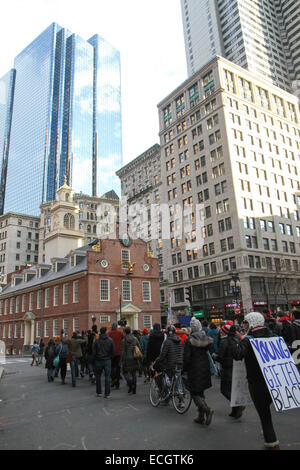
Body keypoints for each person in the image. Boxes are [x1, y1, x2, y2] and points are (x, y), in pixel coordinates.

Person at [228, 312, 280, 450]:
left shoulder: (248, 339)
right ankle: (269, 436)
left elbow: (237, 355)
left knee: (264, 415)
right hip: (274, 380)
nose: (243, 325)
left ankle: (272, 443)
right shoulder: (273, 336)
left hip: (257, 382)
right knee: (266, 413)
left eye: (245, 322)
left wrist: (232, 338)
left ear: (251, 323)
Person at [183, 317, 214, 425]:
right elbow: (209, 351)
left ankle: (206, 409)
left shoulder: (189, 340)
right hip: (204, 367)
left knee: (194, 391)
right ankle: (201, 416)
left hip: (194, 368)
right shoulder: (206, 339)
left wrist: (184, 369)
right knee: (200, 390)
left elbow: (187, 358)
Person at [213, 321, 245, 419]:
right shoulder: (237, 338)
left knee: (225, 390)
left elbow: (221, 356)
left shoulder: (224, 341)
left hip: (227, 367)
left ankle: (237, 405)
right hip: (236, 365)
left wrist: (215, 356)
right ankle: (234, 410)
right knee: (233, 388)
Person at [154, 325, 183, 398]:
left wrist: (157, 360)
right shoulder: (179, 340)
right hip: (179, 363)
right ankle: (181, 400)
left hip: (170, 364)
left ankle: (167, 396)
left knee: (168, 380)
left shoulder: (167, 341)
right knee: (178, 381)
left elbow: (163, 354)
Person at [92, 326, 115, 398]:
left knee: (98, 376)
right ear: (106, 331)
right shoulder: (110, 340)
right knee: (107, 377)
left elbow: (94, 351)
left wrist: (95, 358)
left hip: (98, 360)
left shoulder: (97, 340)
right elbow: (113, 351)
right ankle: (107, 394)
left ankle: (99, 392)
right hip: (107, 360)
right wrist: (110, 357)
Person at [120, 326, 141, 394]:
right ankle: (134, 388)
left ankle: (129, 383)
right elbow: (139, 347)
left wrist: (121, 361)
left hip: (126, 359)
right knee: (134, 373)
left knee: (125, 372)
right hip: (134, 358)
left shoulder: (124, 340)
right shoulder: (135, 339)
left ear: (125, 332)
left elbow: (122, 351)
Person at [108, 322, 125, 389]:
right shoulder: (120, 333)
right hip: (119, 353)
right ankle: (117, 382)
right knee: (118, 367)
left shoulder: (109, 333)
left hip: (111, 353)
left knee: (111, 367)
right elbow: (124, 339)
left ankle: (113, 380)